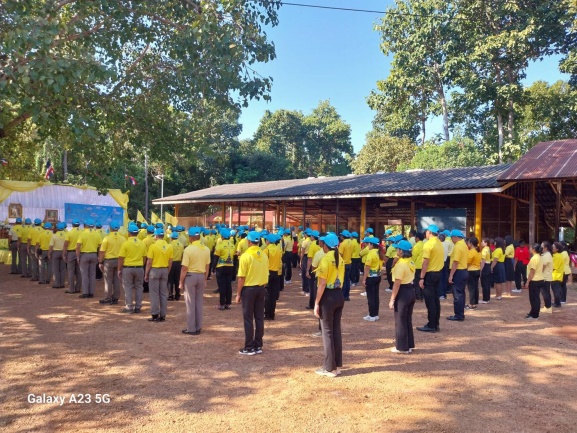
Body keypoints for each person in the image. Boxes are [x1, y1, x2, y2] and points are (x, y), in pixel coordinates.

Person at [314, 233, 344, 377]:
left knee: (327, 332)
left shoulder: (325, 259)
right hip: (339, 295)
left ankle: (329, 368)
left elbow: (322, 284)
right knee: (336, 330)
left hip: (328, 297)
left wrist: (316, 303)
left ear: (325, 245)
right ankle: (336, 365)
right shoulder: (340, 258)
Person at [236, 230, 269, 355]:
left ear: (249, 242)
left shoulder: (245, 256)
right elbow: (266, 274)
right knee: (259, 317)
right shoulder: (264, 255)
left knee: (248, 318)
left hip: (249, 289)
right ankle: (258, 345)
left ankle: (249, 346)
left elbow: (241, 278)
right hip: (261, 288)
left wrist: (238, 294)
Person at [180, 227, 210, 334]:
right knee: (199, 302)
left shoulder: (188, 249)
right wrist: (205, 278)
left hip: (190, 277)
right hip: (201, 276)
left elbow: (184, 268)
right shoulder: (206, 249)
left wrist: (181, 281)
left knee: (190, 303)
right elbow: (207, 266)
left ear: (190, 238)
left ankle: (191, 328)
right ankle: (198, 326)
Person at [389, 239, 416, 354]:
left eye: (398, 249)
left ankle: (402, 347)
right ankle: (409, 344)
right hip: (410, 290)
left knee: (400, 320)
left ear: (401, 251)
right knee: (407, 319)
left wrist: (392, 299)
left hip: (403, 292)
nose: (396, 250)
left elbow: (397, 283)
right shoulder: (411, 262)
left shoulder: (401, 265)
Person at [417, 224, 445, 333]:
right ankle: (436, 324)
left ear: (429, 232)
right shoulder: (439, 243)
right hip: (438, 273)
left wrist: (421, 278)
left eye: (426, 231)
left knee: (430, 301)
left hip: (430, 274)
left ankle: (431, 325)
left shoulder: (428, 244)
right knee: (436, 300)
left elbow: (425, 262)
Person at [145, 228, 173, 322]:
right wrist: (167, 271)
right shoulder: (169, 247)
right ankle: (163, 315)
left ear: (156, 236)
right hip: (165, 270)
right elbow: (170, 261)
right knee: (163, 294)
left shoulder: (153, 246)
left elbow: (149, 262)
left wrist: (146, 274)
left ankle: (155, 314)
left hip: (155, 270)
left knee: (154, 294)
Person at [118, 223, 147, 314]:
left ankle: (129, 307)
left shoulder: (125, 243)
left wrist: (119, 269)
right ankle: (138, 307)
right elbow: (144, 257)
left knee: (128, 287)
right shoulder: (142, 243)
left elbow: (121, 258)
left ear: (129, 233)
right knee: (139, 287)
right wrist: (141, 264)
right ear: (137, 233)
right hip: (139, 267)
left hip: (128, 268)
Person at [98, 222, 125, 305]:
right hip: (119, 261)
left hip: (109, 261)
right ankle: (115, 297)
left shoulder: (107, 238)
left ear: (110, 228)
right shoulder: (123, 238)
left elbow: (102, 251)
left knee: (108, 280)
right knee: (117, 279)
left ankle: (107, 298)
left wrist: (100, 262)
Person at [76, 219, 101, 298]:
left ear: (85, 225)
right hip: (94, 255)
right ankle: (91, 292)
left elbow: (78, 246)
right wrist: (98, 255)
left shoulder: (82, 234)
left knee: (84, 274)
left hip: (84, 255)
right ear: (93, 226)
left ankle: (85, 293)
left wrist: (78, 256)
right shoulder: (97, 234)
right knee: (92, 274)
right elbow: (100, 246)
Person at [447, 230, 469, 321]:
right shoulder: (464, 245)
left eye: (451, 237)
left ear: (455, 237)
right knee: (461, 293)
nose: (451, 239)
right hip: (464, 271)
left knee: (457, 294)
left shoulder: (458, 247)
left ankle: (458, 315)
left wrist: (451, 275)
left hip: (458, 272)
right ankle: (460, 313)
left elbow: (455, 262)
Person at [361, 236, 383, 321]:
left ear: (371, 245)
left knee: (370, 297)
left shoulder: (371, 253)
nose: (368, 246)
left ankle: (372, 315)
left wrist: (364, 279)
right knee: (376, 296)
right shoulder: (379, 252)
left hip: (371, 277)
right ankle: (375, 314)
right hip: (378, 276)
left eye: (369, 244)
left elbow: (367, 267)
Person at [214, 228, 235, 310]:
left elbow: (216, 258)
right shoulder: (233, 245)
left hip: (221, 267)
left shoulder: (220, 245)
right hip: (230, 267)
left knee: (222, 286)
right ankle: (228, 304)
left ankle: (222, 304)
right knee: (228, 285)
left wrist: (213, 268)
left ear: (222, 237)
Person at [263, 233, 282, 320]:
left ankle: (267, 314)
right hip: (276, 273)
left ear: (268, 241)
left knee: (267, 294)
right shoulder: (278, 250)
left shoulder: (266, 250)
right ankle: (272, 314)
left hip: (268, 273)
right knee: (273, 295)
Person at [523, 244, 544, 319]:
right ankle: (533, 312)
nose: (529, 249)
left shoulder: (534, 258)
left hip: (535, 280)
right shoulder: (539, 257)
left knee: (534, 298)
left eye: (530, 248)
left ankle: (535, 315)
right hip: (539, 279)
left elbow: (532, 271)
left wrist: (527, 281)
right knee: (535, 297)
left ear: (534, 249)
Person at [63, 219, 83, 293]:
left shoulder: (69, 233)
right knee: (79, 271)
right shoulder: (83, 232)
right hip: (80, 253)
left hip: (71, 253)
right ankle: (78, 288)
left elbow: (65, 245)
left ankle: (71, 289)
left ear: (72, 225)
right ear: (79, 225)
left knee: (71, 271)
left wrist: (64, 254)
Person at [48, 222, 67, 288]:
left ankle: (56, 283)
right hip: (64, 252)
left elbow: (51, 246)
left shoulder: (54, 235)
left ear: (57, 228)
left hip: (56, 252)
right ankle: (62, 284)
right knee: (63, 269)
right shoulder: (67, 235)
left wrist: (49, 253)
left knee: (55, 269)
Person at [306, 230, 321, 309]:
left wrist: (307, 270)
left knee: (312, 287)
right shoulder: (322, 245)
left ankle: (312, 304)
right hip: (322, 268)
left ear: (313, 237)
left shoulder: (312, 245)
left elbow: (310, 259)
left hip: (314, 268)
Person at [168, 232, 184, 301]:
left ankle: (170, 295)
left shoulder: (170, 245)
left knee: (170, 279)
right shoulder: (181, 245)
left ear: (171, 238)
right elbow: (182, 255)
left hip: (171, 263)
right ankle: (177, 295)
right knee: (177, 279)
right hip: (179, 263)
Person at [466, 237, 481, 310]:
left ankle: (471, 304)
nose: (467, 243)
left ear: (471, 243)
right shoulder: (478, 251)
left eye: (468, 242)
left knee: (471, 288)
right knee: (475, 287)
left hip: (471, 271)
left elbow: (468, 262)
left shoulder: (471, 251)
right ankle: (474, 303)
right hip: (477, 270)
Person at [338, 230, 353, 301]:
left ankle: (343, 295)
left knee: (343, 280)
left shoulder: (342, 244)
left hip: (343, 264)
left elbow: (340, 255)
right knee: (347, 279)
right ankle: (347, 295)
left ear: (343, 236)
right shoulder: (351, 242)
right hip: (349, 263)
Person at [540, 241, 553, 314]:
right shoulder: (545, 255)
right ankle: (547, 306)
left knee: (545, 292)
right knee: (545, 292)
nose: (540, 247)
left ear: (545, 248)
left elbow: (543, 267)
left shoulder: (547, 255)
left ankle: (548, 307)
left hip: (545, 277)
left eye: (542, 246)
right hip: (545, 276)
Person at [551, 242, 564, 308]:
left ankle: (557, 303)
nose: (552, 248)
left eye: (553, 247)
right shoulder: (560, 255)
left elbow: (554, 267)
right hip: (558, 275)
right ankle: (556, 302)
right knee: (556, 289)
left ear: (557, 249)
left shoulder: (556, 256)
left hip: (555, 275)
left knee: (555, 290)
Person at [412, 232, 424, 301]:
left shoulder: (417, 246)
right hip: (424, 266)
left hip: (417, 266)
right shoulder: (425, 244)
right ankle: (422, 295)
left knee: (416, 282)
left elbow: (413, 257)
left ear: (417, 238)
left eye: (415, 238)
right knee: (422, 281)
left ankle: (418, 295)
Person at [479, 238, 492, 303]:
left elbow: (483, 261)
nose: (481, 242)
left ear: (486, 243)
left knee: (484, 284)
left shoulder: (484, 250)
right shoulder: (489, 249)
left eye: (483, 241)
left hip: (485, 266)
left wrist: (480, 269)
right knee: (487, 283)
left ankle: (485, 299)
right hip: (488, 266)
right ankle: (487, 298)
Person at [300, 229, 311, 295]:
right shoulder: (313, 242)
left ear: (306, 234)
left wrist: (300, 260)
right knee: (310, 273)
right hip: (312, 258)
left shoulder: (305, 242)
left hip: (306, 258)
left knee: (304, 274)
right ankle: (309, 289)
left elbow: (302, 252)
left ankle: (306, 290)